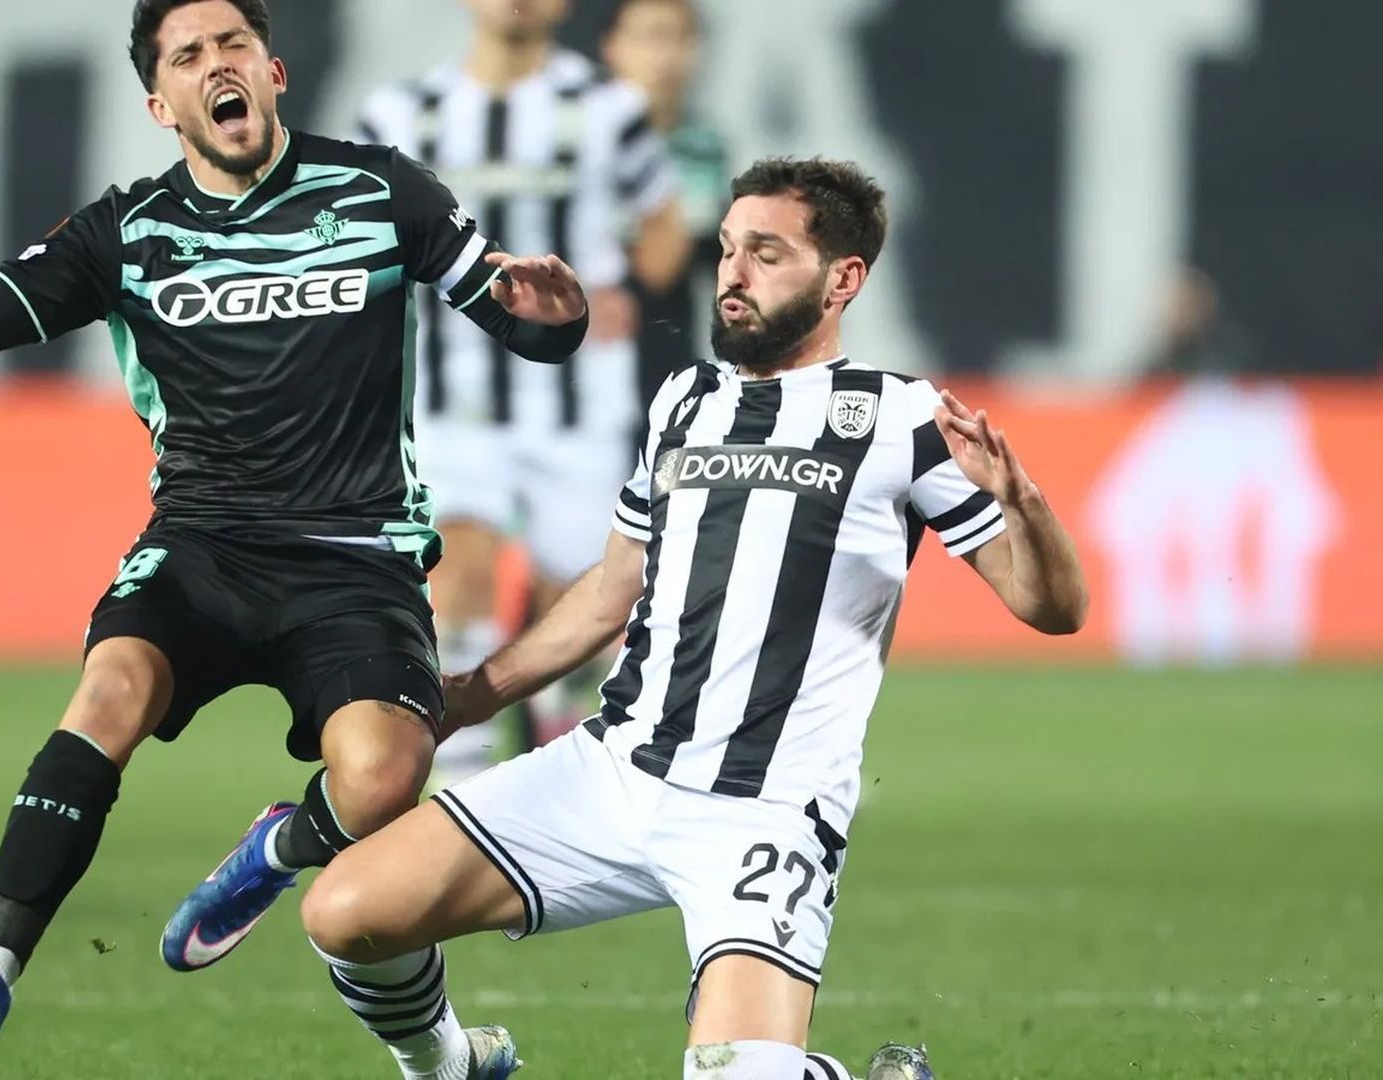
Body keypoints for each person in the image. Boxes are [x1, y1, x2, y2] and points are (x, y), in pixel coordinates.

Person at [0, 1, 589, 1076]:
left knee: (385, 783)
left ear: (271, 72)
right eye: (187, 56)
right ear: (159, 102)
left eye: (231, 48)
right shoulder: (124, 234)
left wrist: (557, 315)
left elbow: (518, 318)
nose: (215, 67)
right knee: (109, 689)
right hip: (203, 548)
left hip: (355, 559)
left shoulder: (381, 190)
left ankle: (279, 848)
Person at [299, 157, 1090, 1080]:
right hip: (613, 772)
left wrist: (1023, 501)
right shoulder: (686, 401)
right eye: (726, 249)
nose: (732, 273)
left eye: (767, 252)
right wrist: (473, 696)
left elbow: (1054, 609)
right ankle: (449, 1066)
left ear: (844, 279)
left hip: (766, 811)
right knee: (345, 912)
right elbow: (609, 588)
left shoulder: (901, 417)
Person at [357, 0, 689, 782]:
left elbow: (666, 228)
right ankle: (461, 793)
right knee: (460, 574)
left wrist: (629, 290)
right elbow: (349, 228)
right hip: (452, 398)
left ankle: (556, 706)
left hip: (576, 402)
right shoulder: (398, 113)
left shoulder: (610, 110)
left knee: (578, 602)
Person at [600, 0, 730, 410]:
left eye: (679, 38)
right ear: (611, 47)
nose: (665, 56)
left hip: (673, 371)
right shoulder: (578, 145)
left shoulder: (705, 148)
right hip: (591, 365)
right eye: (649, 37)